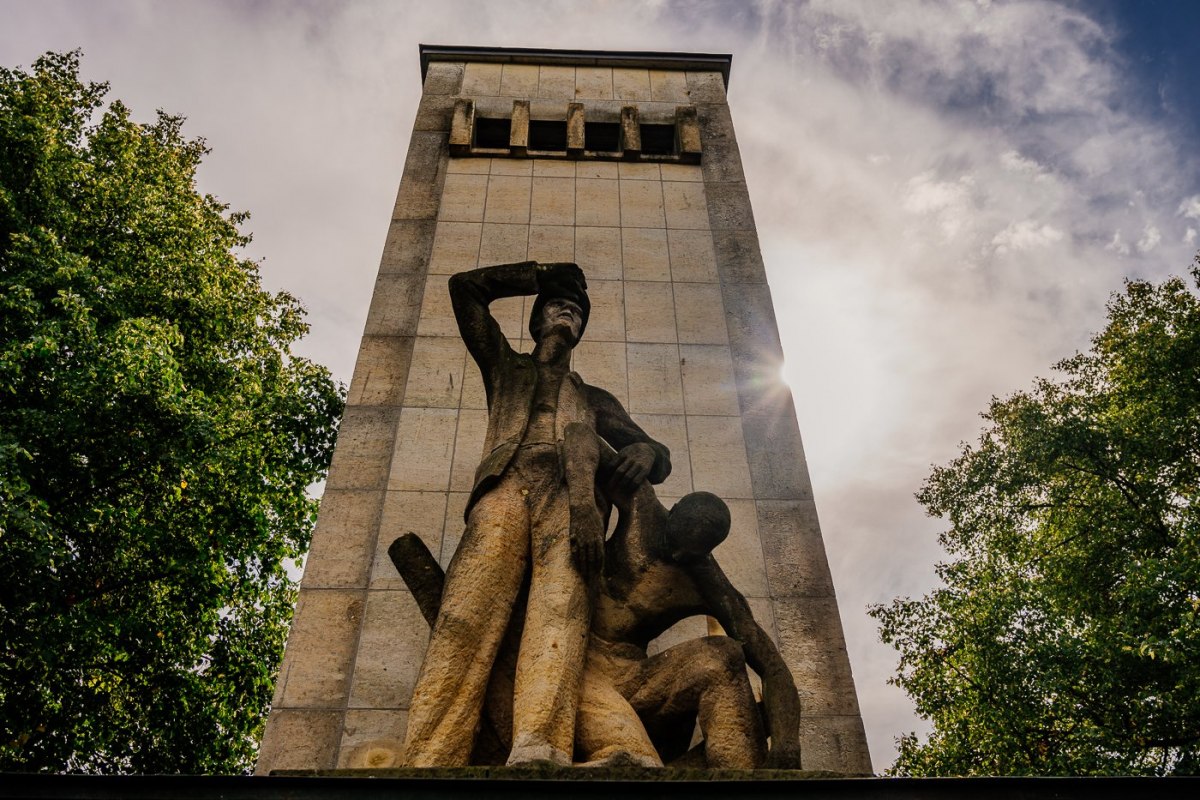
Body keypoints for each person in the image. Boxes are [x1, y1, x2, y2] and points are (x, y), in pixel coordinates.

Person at [401, 261, 672, 767]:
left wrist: (648, 452)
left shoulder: (592, 397)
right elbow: (464, 290)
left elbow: (655, 455)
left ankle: (540, 745)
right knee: (465, 613)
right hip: (505, 487)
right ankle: (430, 755)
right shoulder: (505, 367)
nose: (568, 312)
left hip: (571, 497)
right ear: (538, 318)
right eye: (558, 305)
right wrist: (540, 274)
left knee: (560, 614)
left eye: (576, 311)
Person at [565, 423, 802, 770]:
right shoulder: (642, 506)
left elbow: (774, 669)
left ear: (706, 552)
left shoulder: (706, 580)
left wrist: (786, 743)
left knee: (722, 657)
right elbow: (579, 435)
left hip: (628, 673)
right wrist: (583, 504)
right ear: (672, 510)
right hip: (574, 650)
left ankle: (740, 782)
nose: (676, 558)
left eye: (689, 555)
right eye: (673, 544)